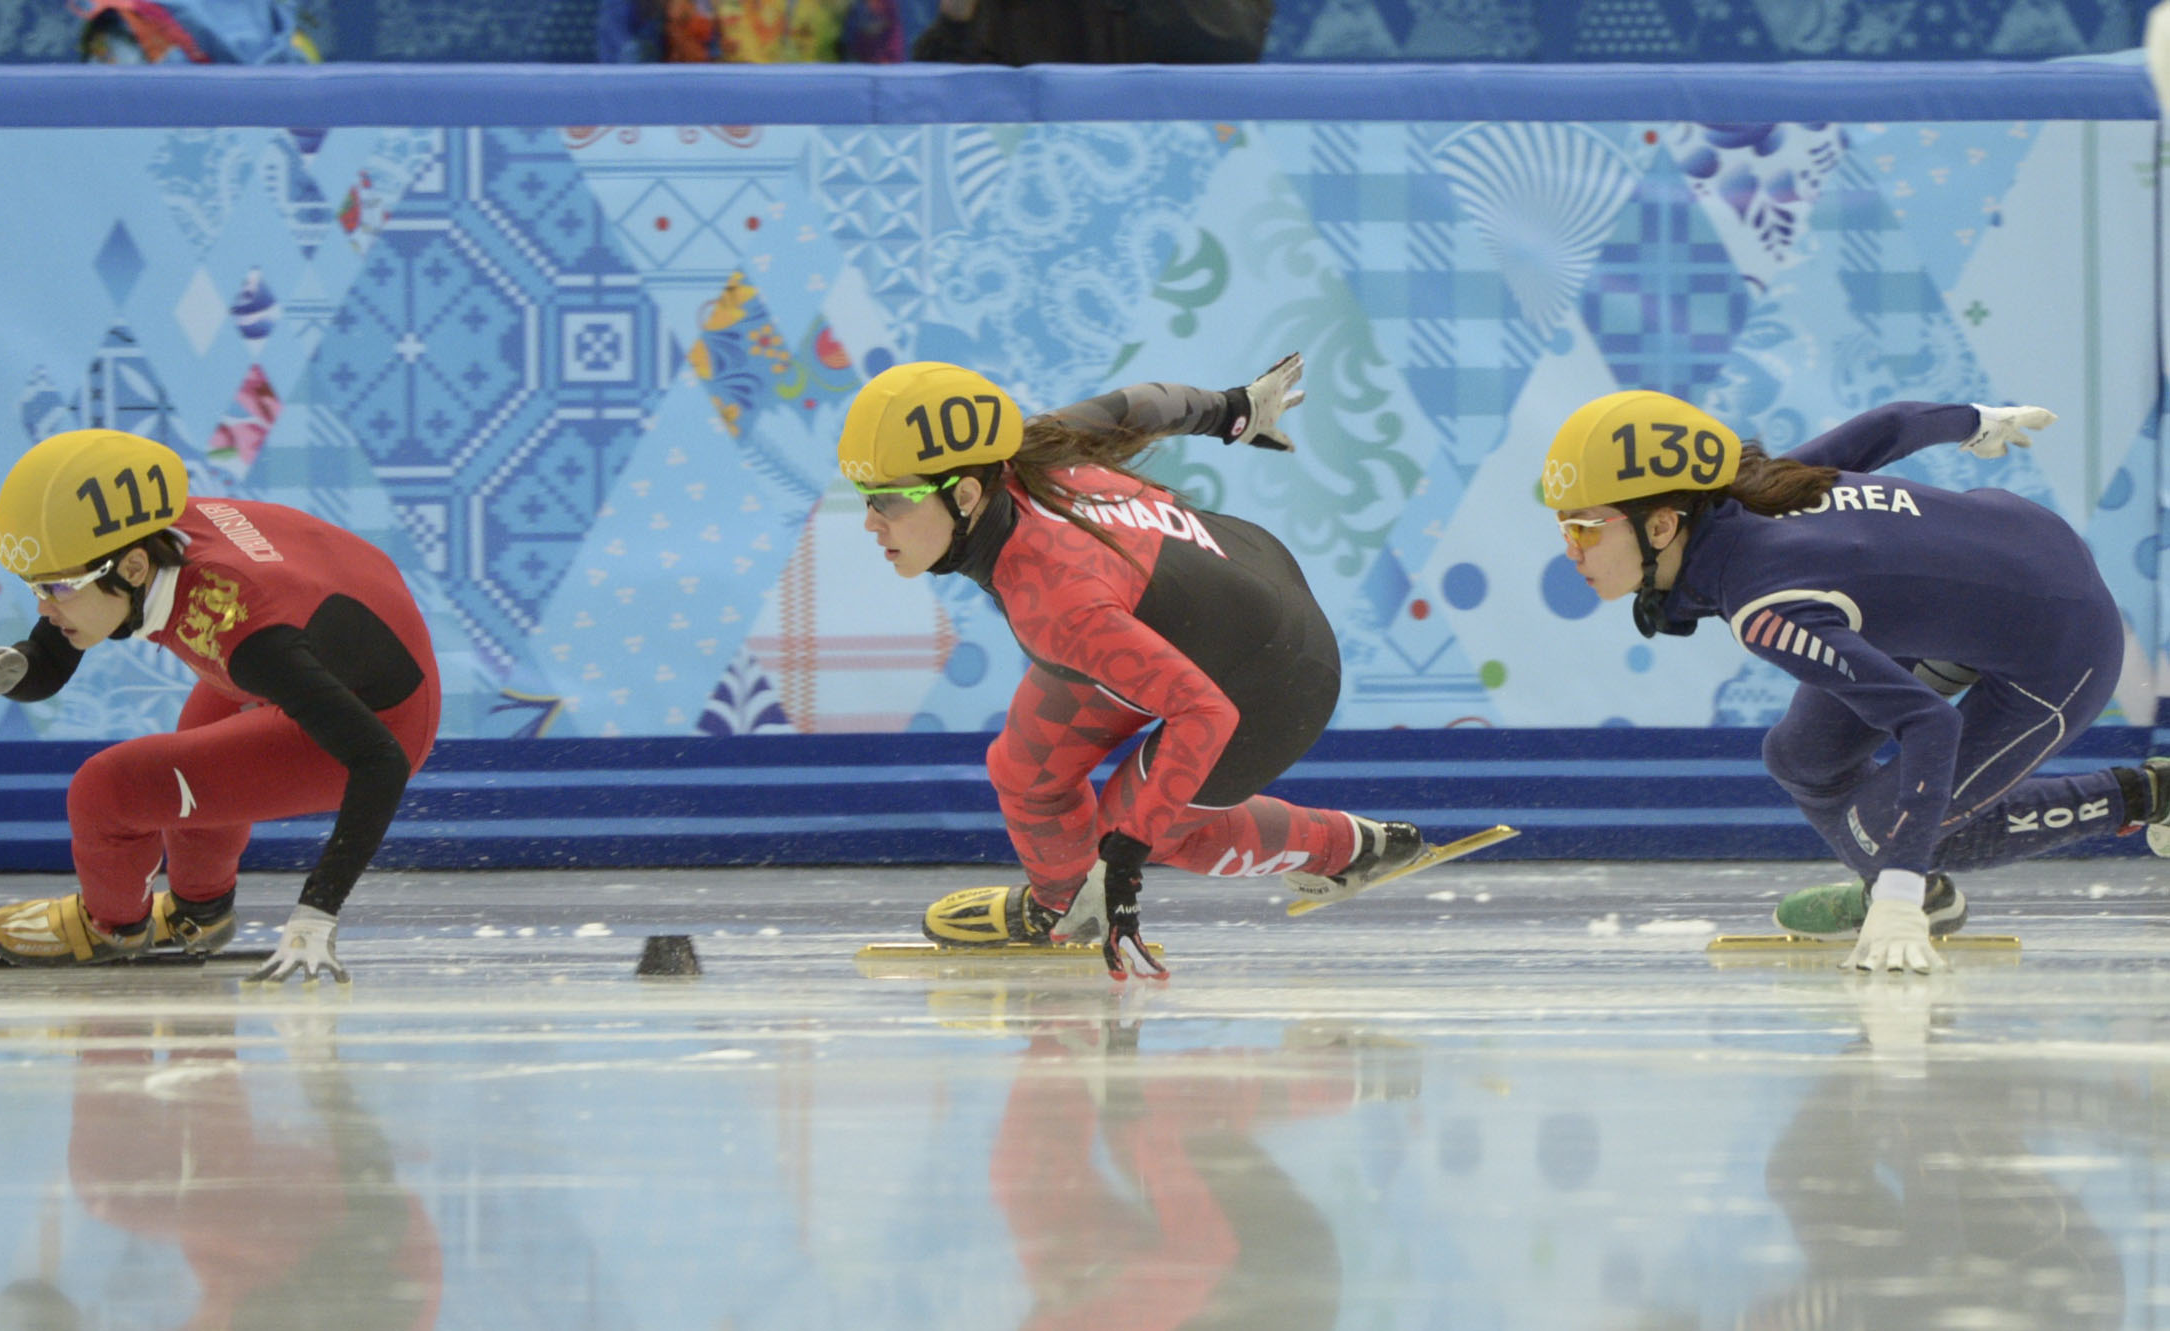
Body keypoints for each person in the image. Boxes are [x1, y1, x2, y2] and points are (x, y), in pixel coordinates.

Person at [835, 355, 1440, 979]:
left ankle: (1350, 847)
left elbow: (1206, 712)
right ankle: (1066, 906)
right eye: (864, 496)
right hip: (1193, 590)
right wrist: (1235, 409)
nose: (870, 521)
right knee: (1024, 772)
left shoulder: (1053, 599)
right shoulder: (1028, 451)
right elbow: (1139, 406)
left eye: (888, 499)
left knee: (1158, 825)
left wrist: (1121, 864)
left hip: (1274, 669)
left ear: (963, 495)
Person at [1541, 391, 2168, 972]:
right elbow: (1887, 427)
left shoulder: (1767, 607)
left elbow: (1930, 723)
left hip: (2063, 642)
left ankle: (2148, 794)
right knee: (1798, 755)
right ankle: (1915, 875)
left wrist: (1896, 890)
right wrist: (1976, 420)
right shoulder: (1754, 489)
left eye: (1583, 530)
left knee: (1890, 837)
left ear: (1660, 527)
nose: (1570, 552)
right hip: (2007, 550)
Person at [0, 428, 440, 980]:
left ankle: (111, 926)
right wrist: (23, 666)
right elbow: (60, 637)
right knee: (193, 764)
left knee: (108, 791)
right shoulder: (139, 538)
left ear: (135, 569)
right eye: (33, 587)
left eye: (57, 588)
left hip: (383, 716)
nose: (43, 607)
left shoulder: (246, 634)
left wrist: (316, 910)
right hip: (323, 629)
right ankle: (200, 912)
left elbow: (381, 761)